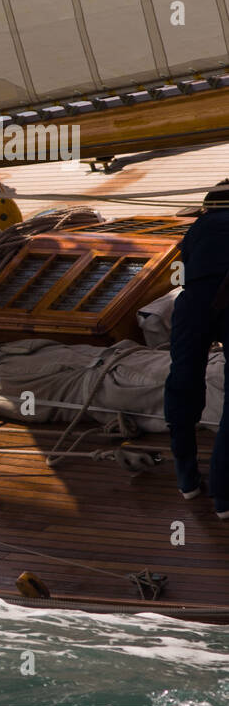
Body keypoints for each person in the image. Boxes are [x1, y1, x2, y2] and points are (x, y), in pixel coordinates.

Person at [164, 180, 229, 517]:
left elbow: (186, 270)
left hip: (191, 307)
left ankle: (187, 480)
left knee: (183, 385)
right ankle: (224, 496)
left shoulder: (197, 228)